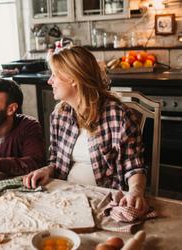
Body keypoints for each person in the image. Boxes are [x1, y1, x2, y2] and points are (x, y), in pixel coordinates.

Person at [23, 46, 148, 212]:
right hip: (64, 197)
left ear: (73, 79)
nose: (49, 81)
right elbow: (56, 161)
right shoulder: (60, 115)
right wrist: (47, 169)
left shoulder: (118, 116)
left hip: (105, 202)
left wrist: (135, 191)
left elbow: (134, 167)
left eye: (54, 75)